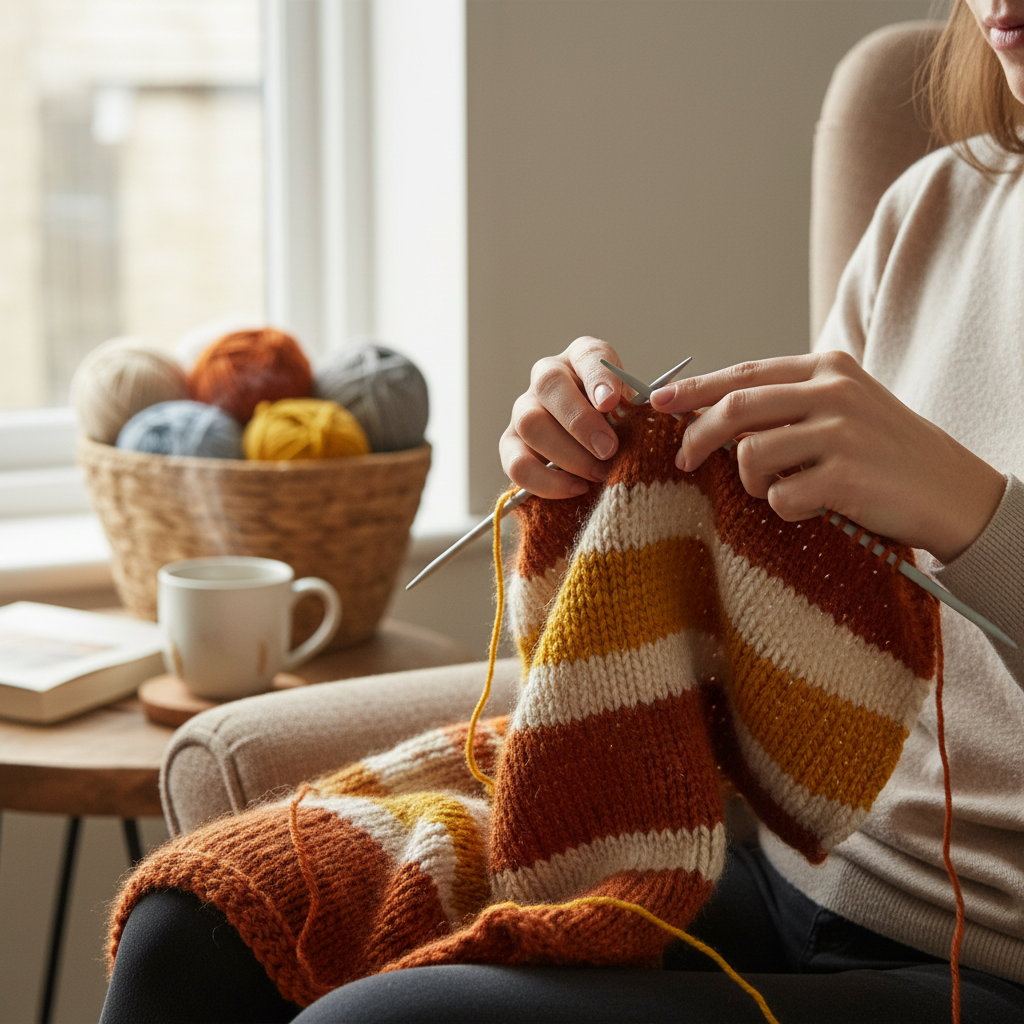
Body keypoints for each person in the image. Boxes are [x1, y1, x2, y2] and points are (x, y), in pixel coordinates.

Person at [100, 3, 1024, 1021]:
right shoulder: (934, 208)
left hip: (985, 961)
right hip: (786, 870)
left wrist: (975, 515)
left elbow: (947, 523)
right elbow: (826, 618)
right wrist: (610, 488)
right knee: (197, 927)